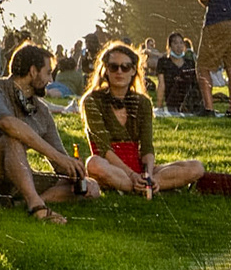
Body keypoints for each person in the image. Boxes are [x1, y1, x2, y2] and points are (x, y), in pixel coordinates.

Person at [0, 42, 102, 223]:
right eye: (47, 72)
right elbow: (7, 124)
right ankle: (37, 207)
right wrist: (57, 157)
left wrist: (78, 174)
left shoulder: (41, 111)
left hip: (12, 180)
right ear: (33, 71)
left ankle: (15, 204)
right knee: (11, 139)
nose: (51, 80)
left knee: (87, 188)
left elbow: (60, 161)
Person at [81, 41, 206, 196]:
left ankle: (143, 185)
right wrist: (132, 175)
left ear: (133, 70)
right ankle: (142, 187)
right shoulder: (92, 101)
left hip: (139, 168)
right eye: (114, 67)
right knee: (93, 163)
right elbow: (104, 148)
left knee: (196, 167)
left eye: (125, 67)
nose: (119, 72)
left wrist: (148, 175)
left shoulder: (143, 102)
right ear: (105, 71)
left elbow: (147, 146)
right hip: (111, 167)